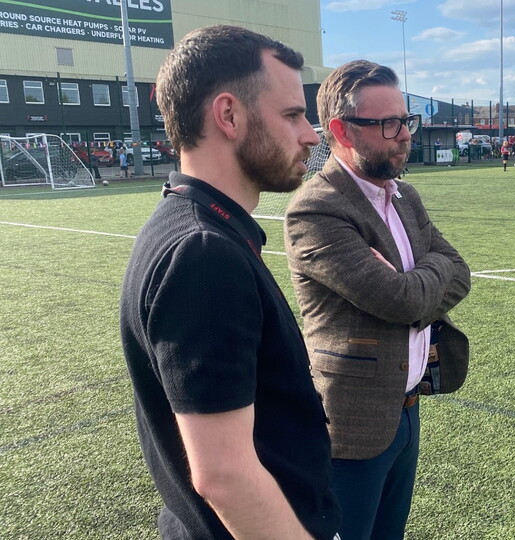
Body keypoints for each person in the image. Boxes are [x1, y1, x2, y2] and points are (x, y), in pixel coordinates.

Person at [119, 25, 341, 540]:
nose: (311, 134)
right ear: (229, 115)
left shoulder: (194, 224)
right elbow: (224, 475)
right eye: (292, 115)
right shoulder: (203, 253)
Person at [285, 59, 471, 540]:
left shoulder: (405, 195)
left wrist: (418, 278)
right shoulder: (317, 207)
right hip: (351, 425)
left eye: (405, 121)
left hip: (407, 410)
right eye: (387, 124)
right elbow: (403, 302)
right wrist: (426, 277)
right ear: (341, 131)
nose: (403, 134)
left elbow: (461, 273)